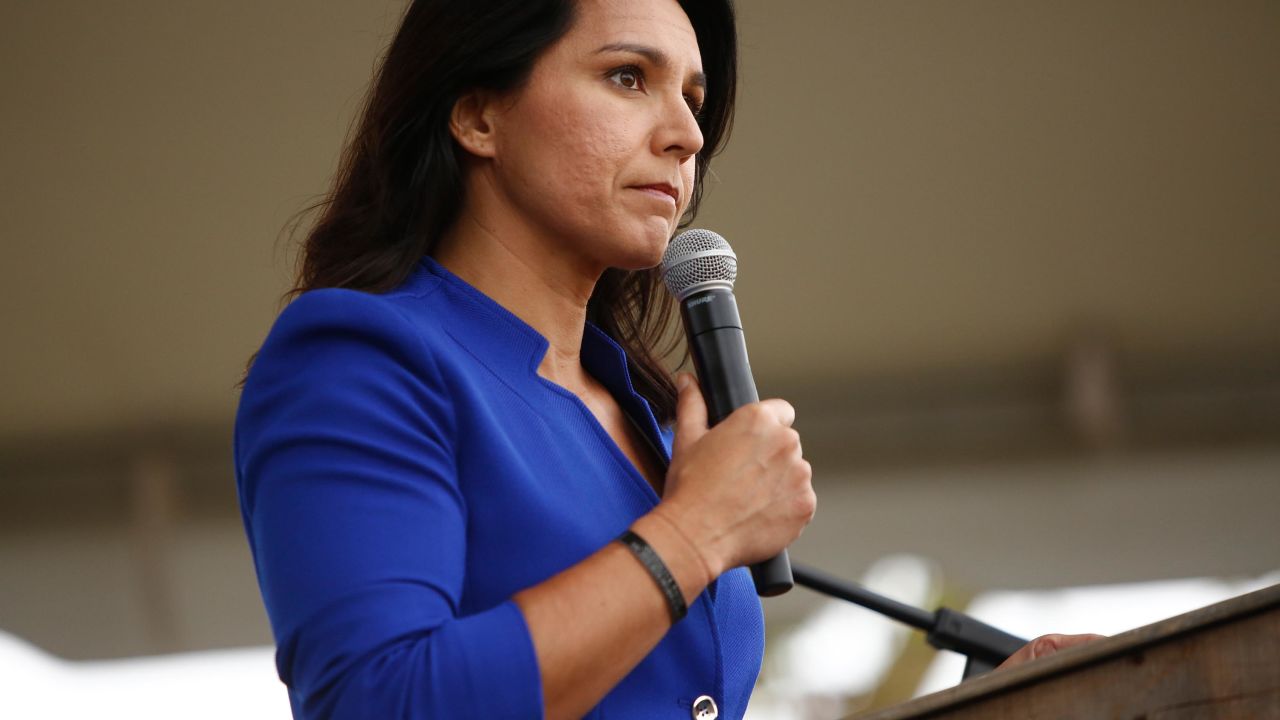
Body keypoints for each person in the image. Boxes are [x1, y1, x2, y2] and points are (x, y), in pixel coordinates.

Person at [235, 1, 1096, 718]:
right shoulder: (360, 356)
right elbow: (378, 701)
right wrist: (696, 532)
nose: (687, 134)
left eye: (692, 95)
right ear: (477, 114)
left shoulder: (639, 414)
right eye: (627, 77)